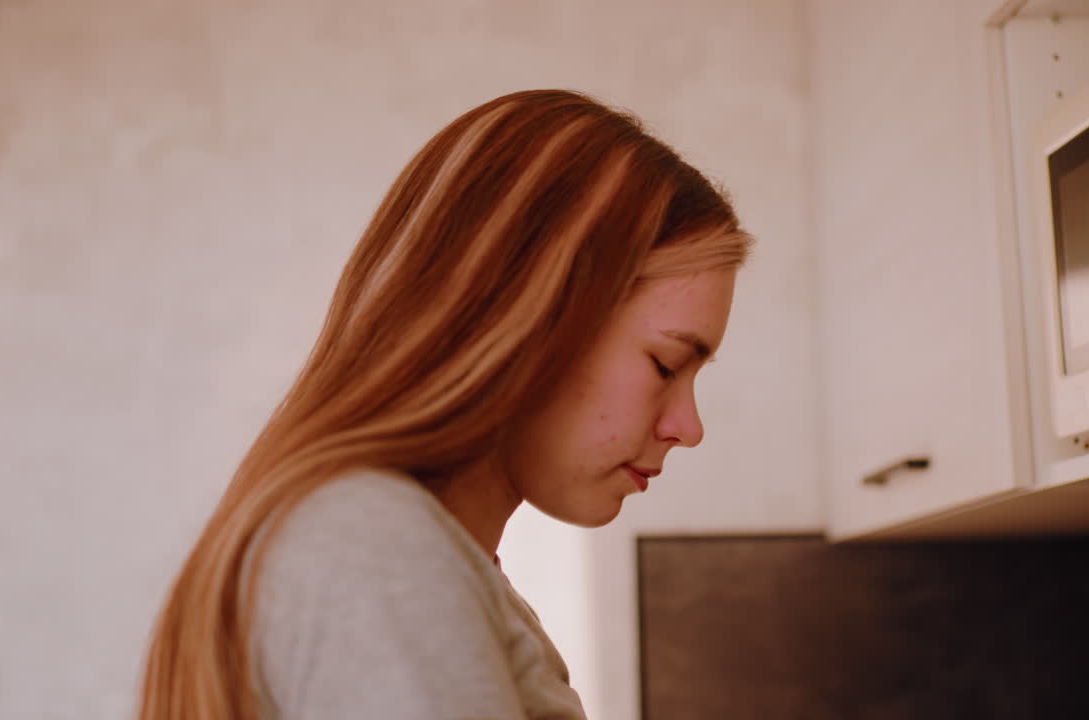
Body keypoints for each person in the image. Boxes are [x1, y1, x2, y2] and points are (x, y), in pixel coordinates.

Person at [138, 89, 753, 720]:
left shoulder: (417, 556)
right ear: (529, 314)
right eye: (666, 364)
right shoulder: (373, 547)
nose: (689, 427)